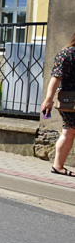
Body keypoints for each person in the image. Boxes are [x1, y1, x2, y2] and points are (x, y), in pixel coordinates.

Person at [41, 30, 75, 176]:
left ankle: (58, 166)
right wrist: (49, 99)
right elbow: (56, 77)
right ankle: (58, 166)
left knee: (70, 132)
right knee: (69, 132)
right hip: (70, 101)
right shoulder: (67, 54)